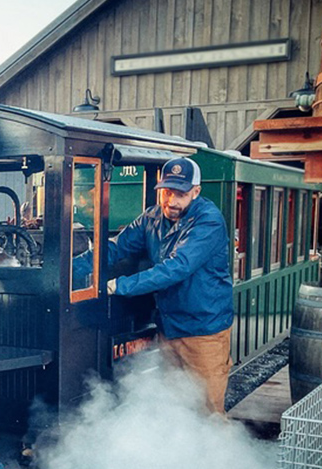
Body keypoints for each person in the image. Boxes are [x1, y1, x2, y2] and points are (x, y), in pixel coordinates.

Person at [90, 156, 234, 414]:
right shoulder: (152, 217)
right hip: (169, 327)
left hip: (203, 331)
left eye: (180, 194)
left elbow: (177, 267)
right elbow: (116, 247)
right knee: (174, 408)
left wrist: (119, 286)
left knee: (208, 411)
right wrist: (76, 267)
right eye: (167, 192)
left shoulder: (208, 221)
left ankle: (215, 454)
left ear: (196, 192)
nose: (171, 201)